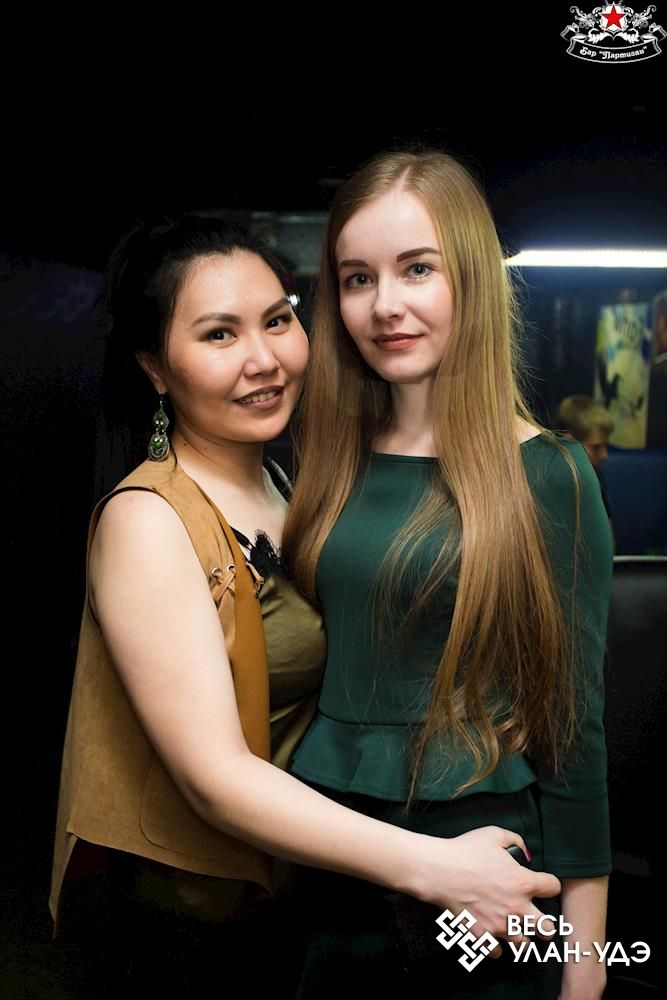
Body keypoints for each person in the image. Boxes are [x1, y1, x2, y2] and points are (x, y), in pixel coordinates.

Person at [50, 214, 559, 998]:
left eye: (278, 320)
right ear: (155, 368)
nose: (264, 359)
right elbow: (214, 776)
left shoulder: (286, 484)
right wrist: (435, 867)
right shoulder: (147, 520)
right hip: (203, 926)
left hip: (300, 896)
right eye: (219, 335)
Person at [283, 151, 613, 999]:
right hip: (332, 851)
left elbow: (573, 731)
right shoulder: (327, 461)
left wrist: (584, 972)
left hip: (481, 865)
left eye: (416, 269)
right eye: (357, 278)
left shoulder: (547, 473)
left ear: (469, 278)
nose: (384, 305)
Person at [555, 395, 615, 547]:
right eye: (596, 447)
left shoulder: (594, 473)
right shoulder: (549, 481)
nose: (604, 455)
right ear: (569, 442)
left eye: (605, 446)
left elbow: (607, 538)